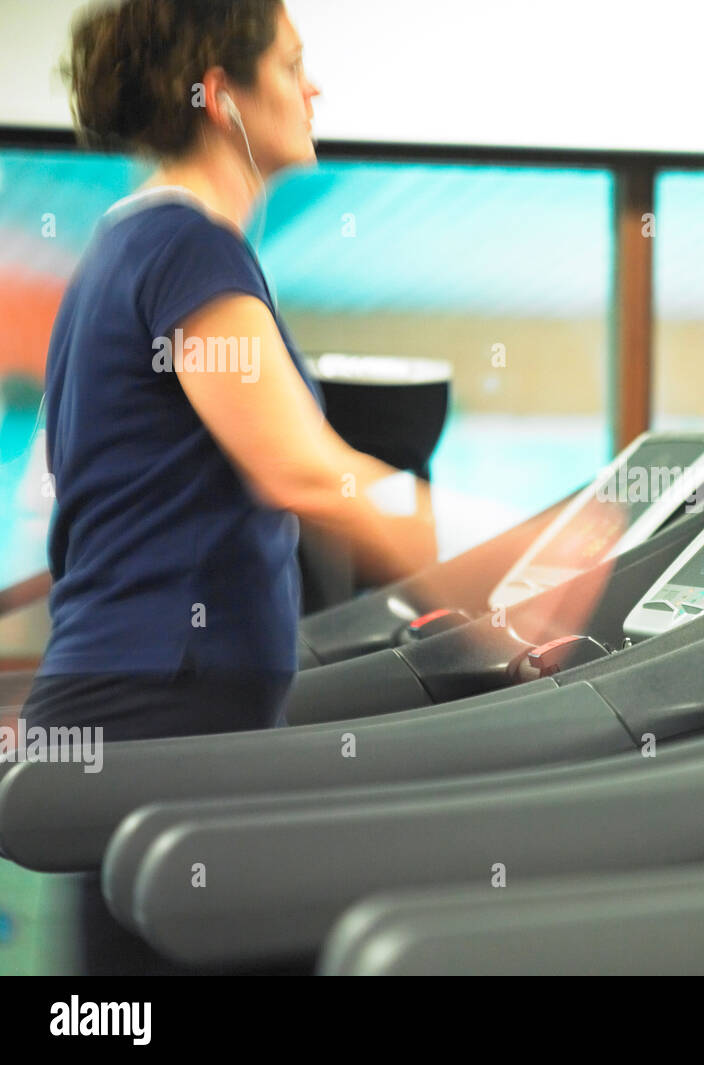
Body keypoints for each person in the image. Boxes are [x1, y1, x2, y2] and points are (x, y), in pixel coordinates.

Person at [21, 0, 439, 742]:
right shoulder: (187, 246)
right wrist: (493, 546)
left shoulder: (129, 242)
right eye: (291, 65)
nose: (313, 89)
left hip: (147, 701)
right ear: (220, 97)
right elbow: (303, 473)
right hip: (154, 713)